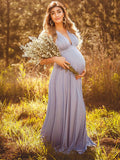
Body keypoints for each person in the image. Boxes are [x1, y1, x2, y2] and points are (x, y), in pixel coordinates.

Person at [40, 1, 96, 154]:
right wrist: (56, 59)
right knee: (64, 107)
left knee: (77, 107)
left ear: (64, 13)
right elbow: (40, 59)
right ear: (50, 16)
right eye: (53, 13)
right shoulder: (48, 34)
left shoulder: (70, 29)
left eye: (59, 11)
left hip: (76, 76)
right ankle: (62, 140)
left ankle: (76, 137)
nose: (57, 15)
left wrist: (82, 68)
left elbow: (73, 50)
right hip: (61, 76)